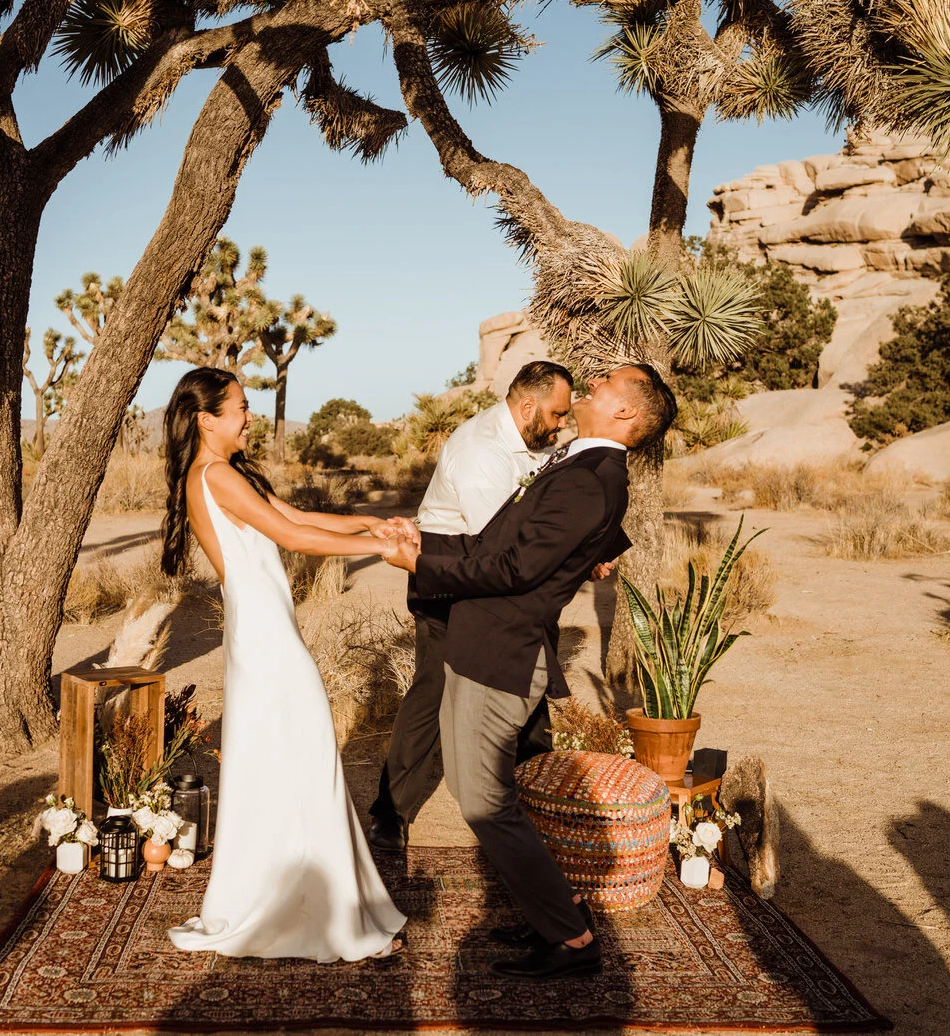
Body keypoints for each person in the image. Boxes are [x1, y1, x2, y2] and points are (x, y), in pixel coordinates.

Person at [383, 363, 678, 982]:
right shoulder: (577, 464)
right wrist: (425, 548)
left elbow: (514, 568)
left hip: (502, 649)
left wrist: (421, 564)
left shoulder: (592, 478)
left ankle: (572, 940)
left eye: (604, 386)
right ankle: (557, 909)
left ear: (626, 413)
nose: (591, 386)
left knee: (485, 801)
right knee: (485, 793)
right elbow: (494, 544)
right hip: (481, 639)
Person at [160, 368, 412, 962]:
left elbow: (296, 517)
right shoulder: (215, 475)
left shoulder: (221, 475)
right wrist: (383, 549)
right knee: (308, 756)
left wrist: (369, 524)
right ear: (207, 418)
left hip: (264, 632)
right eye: (241, 407)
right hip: (267, 639)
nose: (249, 416)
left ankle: (310, 897)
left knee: (288, 758)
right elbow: (292, 538)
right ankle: (325, 911)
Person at [368, 360, 578, 853]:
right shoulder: (481, 449)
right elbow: (502, 543)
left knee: (525, 680)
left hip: (494, 569)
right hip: (449, 570)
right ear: (527, 406)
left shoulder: (528, 441)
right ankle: (390, 810)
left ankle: (538, 804)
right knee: (435, 690)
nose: (562, 423)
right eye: (556, 414)